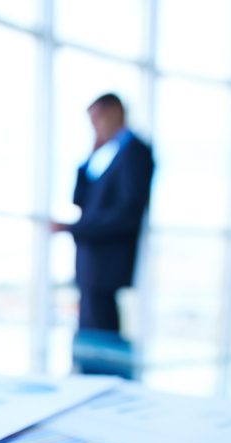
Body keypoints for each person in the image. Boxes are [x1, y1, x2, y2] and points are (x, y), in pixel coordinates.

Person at [50, 93, 154, 335]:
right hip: (93, 264)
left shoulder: (135, 152)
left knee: (100, 333)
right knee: (90, 329)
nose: (94, 127)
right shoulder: (112, 154)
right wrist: (90, 155)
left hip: (107, 263)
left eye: (96, 119)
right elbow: (79, 201)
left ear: (114, 112)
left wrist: (71, 228)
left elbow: (126, 214)